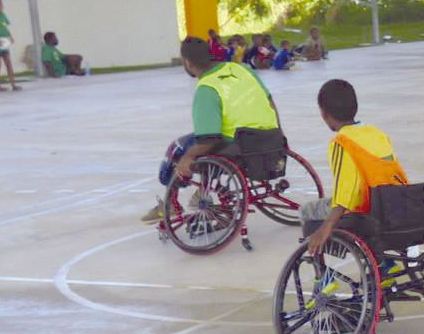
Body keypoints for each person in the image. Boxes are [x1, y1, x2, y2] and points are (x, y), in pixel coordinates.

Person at [146, 35, 285, 221]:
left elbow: (209, 139)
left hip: (240, 146)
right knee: (208, 141)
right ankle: (204, 189)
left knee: (180, 147)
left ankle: (171, 203)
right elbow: (269, 101)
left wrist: (187, 158)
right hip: (271, 138)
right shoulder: (241, 69)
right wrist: (278, 133)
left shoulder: (207, 88)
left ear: (187, 62)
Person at [301, 77, 408, 259]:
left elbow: (346, 192)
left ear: (324, 113)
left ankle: (323, 276)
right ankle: (382, 263)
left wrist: (326, 227)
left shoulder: (341, 142)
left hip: (365, 210)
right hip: (391, 203)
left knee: (307, 211)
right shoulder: (377, 133)